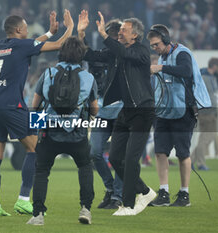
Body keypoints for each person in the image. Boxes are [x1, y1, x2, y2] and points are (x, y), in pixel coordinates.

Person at [0, 10, 74, 217]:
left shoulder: (2, 45)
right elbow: (60, 45)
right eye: (25, 27)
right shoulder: (22, 46)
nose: (28, 29)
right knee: (36, 148)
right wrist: (70, 28)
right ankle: (24, 199)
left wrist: (49, 32)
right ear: (18, 30)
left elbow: (33, 43)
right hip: (10, 105)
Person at [27, 36, 98, 225]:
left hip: (50, 132)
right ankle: (85, 209)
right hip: (77, 133)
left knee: (42, 171)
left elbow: (35, 105)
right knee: (84, 167)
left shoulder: (49, 73)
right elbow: (94, 108)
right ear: (81, 55)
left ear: (61, 52)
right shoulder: (88, 77)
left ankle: (38, 215)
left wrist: (37, 130)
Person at [91, 12, 157, 216]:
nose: (119, 33)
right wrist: (79, 33)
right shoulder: (117, 52)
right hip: (126, 111)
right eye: (118, 31)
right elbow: (91, 55)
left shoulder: (141, 51)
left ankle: (127, 205)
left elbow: (125, 54)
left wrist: (104, 35)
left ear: (135, 35)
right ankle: (145, 191)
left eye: (123, 30)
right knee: (116, 157)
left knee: (130, 158)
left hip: (143, 111)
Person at [147, 24, 211, 207]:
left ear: (166, 40)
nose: (154, 48)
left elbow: (186, 71)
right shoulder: (163, 56)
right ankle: (164, 192)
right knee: (160, 152)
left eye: (156, 44)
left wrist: (160, 68)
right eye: (152, 45)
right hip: (164, 112)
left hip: (184, 111)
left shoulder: (182, 53)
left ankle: (184, 194)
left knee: (183, 154)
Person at [78, 12, 123, 209]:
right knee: (94, 152)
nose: (114, 40)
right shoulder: (107, 55)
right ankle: (111, 188)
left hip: (123, 109)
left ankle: (118, 196)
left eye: (117, 36)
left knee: (118, 156)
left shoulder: (130, 54)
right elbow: (88, 54)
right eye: (111, 36)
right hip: (104, 110)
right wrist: (81, 34)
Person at [191, 57, 218, 170]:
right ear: (214, 66)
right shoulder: (204, 77)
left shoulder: (210, 77)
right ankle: (200, 163)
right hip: (207, 111)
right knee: (206, 138)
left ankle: (190, 161)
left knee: (205, 138)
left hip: (210, 111)